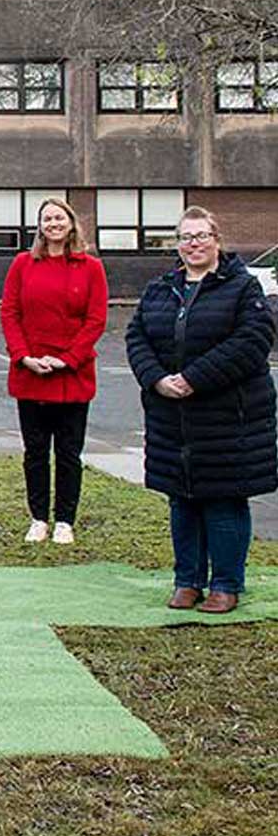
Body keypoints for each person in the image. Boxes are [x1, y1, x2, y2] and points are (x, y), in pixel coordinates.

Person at [125, 206, 276, 614]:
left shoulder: (243, 289)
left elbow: (251, 342)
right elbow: (136, 336)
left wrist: (193, 378)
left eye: (201, 236)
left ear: (217, 240)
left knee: (223, 500)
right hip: (172, 419)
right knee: (182, 500)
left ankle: (226, 584)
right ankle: (187, 581)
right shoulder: (161, 289)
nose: (193, 244)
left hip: (229, 419)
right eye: (186, 237)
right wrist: (157, 378)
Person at [0, 198, 109, 547]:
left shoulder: (91, 267)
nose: (53, 224)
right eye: (47, 219)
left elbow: (96, 320)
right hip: (30, 374)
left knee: (67, 452)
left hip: (71, 376)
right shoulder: (22, 264)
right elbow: (10, 312)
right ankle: (38, 518)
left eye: (59, 218)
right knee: (34, 452)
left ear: (71, 223)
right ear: (39, 226)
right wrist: (23, 356)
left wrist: (68, 358)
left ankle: (64, 520)